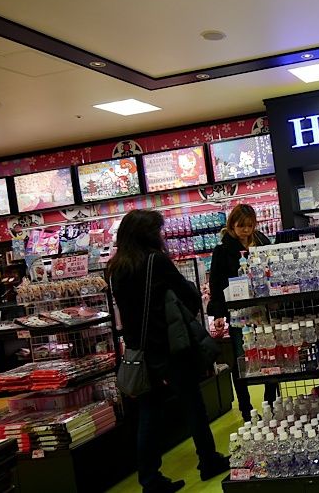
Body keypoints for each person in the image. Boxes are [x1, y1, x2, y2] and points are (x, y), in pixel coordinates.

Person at [108, 210, 229, 493]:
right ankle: (208, 460)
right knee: (193, 404)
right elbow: (189, 296)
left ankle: (150, 479)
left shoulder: (117, 268)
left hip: (139, 349)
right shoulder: (155, 261)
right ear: (148, 234)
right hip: (169, 346)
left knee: (149, 413)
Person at [208, 204, 277, 420]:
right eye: (241, 226)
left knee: (270, 356)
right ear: (232, 225)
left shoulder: (262, 241)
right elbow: (216, 283)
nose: (246, 230)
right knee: (241, 359)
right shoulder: (222, 250)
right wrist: (218, 314)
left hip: (263, 310)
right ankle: (245, 408)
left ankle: (271, 403)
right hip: (238, 313)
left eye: (249, 225)